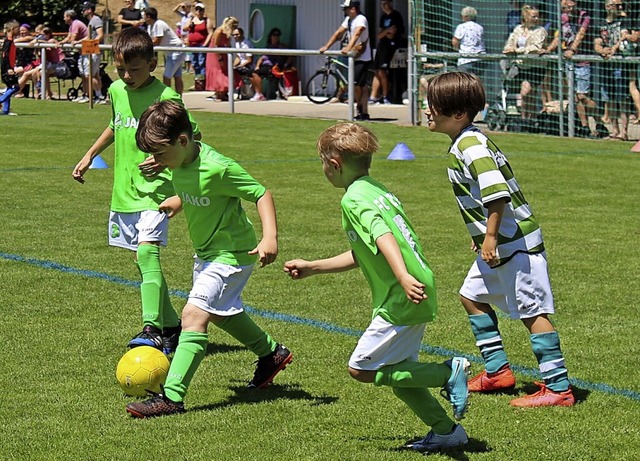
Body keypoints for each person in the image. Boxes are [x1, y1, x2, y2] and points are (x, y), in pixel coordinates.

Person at [283, 122, 470, 454]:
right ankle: (446, 432)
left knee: (361, 369)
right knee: (401, 374)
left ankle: (446, 372)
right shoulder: (375, 189)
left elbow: (382, 235)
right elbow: (366, 252)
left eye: (323, 163)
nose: (323, 169)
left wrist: (400, 277)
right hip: (417, 285)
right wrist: (314, 267)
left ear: (335, 164)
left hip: (403, 293)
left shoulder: (354, 199)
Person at [125, 100, 293, 418]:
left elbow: (260, 193)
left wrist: (270, 236)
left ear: (183, 141)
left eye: (160, 153)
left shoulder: (218, 167)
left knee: (193, 316)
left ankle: (171, 397)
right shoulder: (180, 157)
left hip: (231, 255)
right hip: (206, 253)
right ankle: (271, 353)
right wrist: (178, 199)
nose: (155, 160)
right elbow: (191, 167)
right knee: (220, 314)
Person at [425, 72, 576, 408]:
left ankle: (559, 388)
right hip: (498, 244)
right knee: (471, 296)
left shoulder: (471, 145)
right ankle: (498, 372)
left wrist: (490, 235)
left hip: (516, 244)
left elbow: (497, 194)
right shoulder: (465, 141)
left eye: (434, 106)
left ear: (459, 114)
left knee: (532, 311)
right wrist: (483, 236)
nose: (427, 111)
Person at [71, 27, 200, 355]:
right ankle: (172, 327)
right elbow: (116, 124)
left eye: (135, 69)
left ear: (153, 63)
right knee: (143, 263)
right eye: (121, 69)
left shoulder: (167, 98)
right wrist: (90, 154)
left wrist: (164, 160)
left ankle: (151, 328)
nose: (127, 76)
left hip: (157, 191)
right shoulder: (115, 90)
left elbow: (191, 140)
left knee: (147, 253)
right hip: (125, 190)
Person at [543, 0, 600, 138]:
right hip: (569, 62)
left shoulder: (585, 17)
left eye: (570, 4)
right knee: (574, 97)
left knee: (582, 96)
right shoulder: (562, 18)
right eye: (564, 5)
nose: (568, 7)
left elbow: (581, 34)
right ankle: (584, 126)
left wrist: (572, 50)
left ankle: (600, 120)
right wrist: (548, 49)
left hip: (582, 61)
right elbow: (560, 37)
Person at [320, 0, 372, 121]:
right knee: (356, 85)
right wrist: (326, 46)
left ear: (353, 9)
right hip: (354, 56)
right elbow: (338, 33)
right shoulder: (349, 20)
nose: (345, 11)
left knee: (357, 85)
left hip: (362, 58)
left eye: (346, 9)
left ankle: (361, 109)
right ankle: (362, 110)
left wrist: (348, 47)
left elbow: (357, 34)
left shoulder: (360, 19)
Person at [503, 5, 547, 129]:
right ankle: (525, 120)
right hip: (521, 66)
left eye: (537, 16)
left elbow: (536, 47)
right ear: (525, 17)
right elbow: (510, 43)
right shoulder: (518, 29)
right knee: (526, 95)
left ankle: (531, 120)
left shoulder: (540, 30)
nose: (536, 18)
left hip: (536, 66)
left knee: (527, 93)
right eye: (533, 16)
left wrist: (517, 51)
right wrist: (508, 49)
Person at [594, 0, 632, 141]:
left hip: (619, 65)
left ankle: (624, 131)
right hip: (605, 66)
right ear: (608, 7)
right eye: (617, 5)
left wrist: (614, 49)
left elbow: (623, 35)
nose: (620, 8)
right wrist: (602, 50)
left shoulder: (624, 21)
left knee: (622, 99)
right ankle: (614, 130)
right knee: (608, 99)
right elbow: (596, 43)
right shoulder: (600, 24)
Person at [369, 0, 404, 105]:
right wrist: (386, 31)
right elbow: (379, 35)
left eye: (385, 3)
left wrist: (386, 32)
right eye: (381, 4)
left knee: (382, 71)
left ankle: (385, 96)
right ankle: (373, 96)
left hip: (392, 47)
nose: (383, 6)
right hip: (382, 46)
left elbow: (392, 34)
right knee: (377, 71)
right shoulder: (383, 17)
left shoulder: (396, 16)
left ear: (390, 3)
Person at [144, 7, 185, 95]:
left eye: (144, 16)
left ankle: (167, 99)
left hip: (176, 51)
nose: (143, 18)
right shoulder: (150, 26)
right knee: (177, 76)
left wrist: (144, 45)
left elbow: (157, 40)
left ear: (148, 16)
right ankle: (178, 98)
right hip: (169, 53)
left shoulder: (159, 24)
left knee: (167, 76)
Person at [73, 2, 106, 104]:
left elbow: (100, 35)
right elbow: (89, 36)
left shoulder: (96, 20)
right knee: (94, 74)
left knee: (90, 74)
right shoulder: (91, 21)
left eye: (84, 9)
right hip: (91, 51)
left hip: (94, 51)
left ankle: (99, 96)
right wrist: (79, 42)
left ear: (90, 10)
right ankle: (96, 95)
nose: (82, 11)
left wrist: (91, 45)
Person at [250, 27, 294, 101]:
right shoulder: (268, 47)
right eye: (274, 35)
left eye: (278, 35)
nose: (276, 37)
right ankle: (258, 93)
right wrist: (257, 66)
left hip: (273, 67)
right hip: (265, 66)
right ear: (271, 36)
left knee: (254, 74)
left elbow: (291, 56)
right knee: (251, 74)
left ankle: (259, 95)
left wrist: (285, 65)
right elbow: (261, 58)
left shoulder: (281, 47)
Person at [204, 16, 239, 101]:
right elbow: (215, 45)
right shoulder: (219, 31)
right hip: (215, 55)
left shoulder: (228, 33)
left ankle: (222, 93)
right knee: (219, 73)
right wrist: (219, 58)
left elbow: (228, 45)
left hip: (224, 53)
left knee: (226, 71)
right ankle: (219, 93)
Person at [452, 7, 487, 78]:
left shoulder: (461, 27)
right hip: (479, 59)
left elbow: (455, 41)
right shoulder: (480, 27)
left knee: (465, 82)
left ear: (466, 16)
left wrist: (457, 49)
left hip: (466, 59)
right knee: (476, 82)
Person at [184, 2, 211, 86]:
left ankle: (202, 81)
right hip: (192, 45)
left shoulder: (206, 20)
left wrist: (205, 44)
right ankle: (197, 81)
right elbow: (184, 29)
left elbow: (210, 33)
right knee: (195, 63)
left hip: (201, 45)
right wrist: (189, 25)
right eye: (197, 9)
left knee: (201, 62)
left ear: (203, 11)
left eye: (201, 10)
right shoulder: (192, 20)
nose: (199, 11)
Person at [0, 20, 20, 115]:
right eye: (17, 29)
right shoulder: (8, 42)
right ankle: (1, 99)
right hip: (7, 68)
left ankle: (5, 110)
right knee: (15, 87)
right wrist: (9, 68)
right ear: (12, 29)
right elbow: (5, 55)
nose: (19, 31)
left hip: (9, 67)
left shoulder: (11, 41)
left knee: (9, 87)